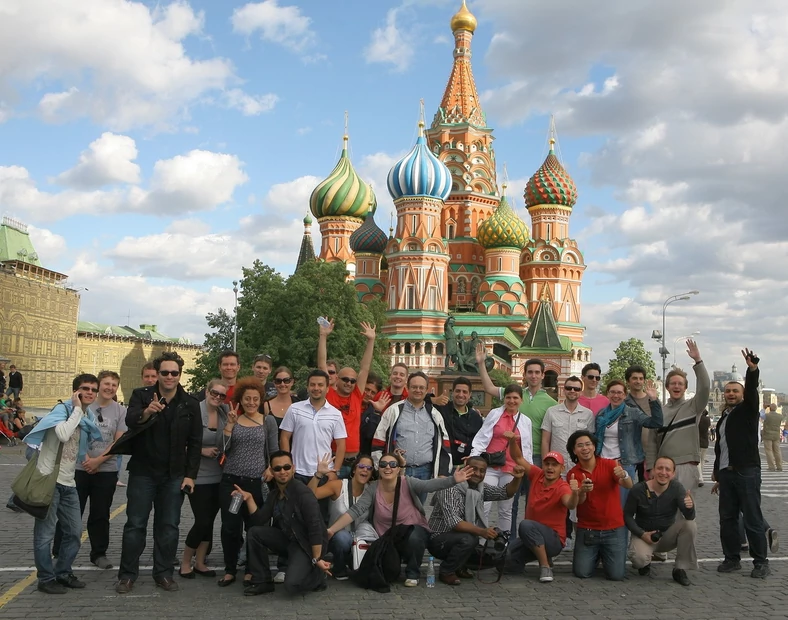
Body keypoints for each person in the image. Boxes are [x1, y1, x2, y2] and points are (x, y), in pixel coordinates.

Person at [111, 351, 202, 594]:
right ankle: (127, 575)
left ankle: (163, 574)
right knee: (135, 525)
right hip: (143, 472)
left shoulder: (190, 403)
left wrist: (190, 475)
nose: (169, 376)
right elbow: (130, 420)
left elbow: (195, 442)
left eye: (174, 372)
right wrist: (147, 412)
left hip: (173, 475)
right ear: (158, 374)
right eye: (165, 372)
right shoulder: (141, 395)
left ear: (180, 374)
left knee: (169, 526)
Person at [328, 452, 471, 586]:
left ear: (398, 469)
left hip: (412, 532)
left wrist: (453, 480)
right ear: (379, 469)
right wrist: (332, 530)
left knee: (414, 536)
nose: (388, 468)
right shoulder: (373, 488)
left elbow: (429, 485)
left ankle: (412, 573)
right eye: (383, 465)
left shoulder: (407, 482)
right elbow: (355, 510)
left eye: (392, 465)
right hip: (388, 537)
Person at [24, 374, 103, 594]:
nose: (89, 392)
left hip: (69, 482)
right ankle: (46, 578)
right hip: (50, 480)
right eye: (84, 388)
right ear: (75, 391)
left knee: (74, 532)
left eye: (93, 390)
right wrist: (76, 409)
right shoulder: (63, 410)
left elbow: (78, 445)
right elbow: (62, 434)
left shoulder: (88, 416)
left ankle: (63, 572)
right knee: (45, 534)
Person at [476, 344, 556, 534]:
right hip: (510, 459)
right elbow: (488, 387)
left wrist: (548, 460)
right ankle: (508, 541)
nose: (534, 376)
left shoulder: (551, 403)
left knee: (534, 502)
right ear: (525, 375)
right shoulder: (515, 393)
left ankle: (530, 538)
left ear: (543, 375)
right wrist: (480, 364)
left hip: (535, 457)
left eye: (537, 372)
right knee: (509, 505)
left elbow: (552, 432)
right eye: (530, 372)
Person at [53, 370, 127, 570]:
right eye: (106, 384)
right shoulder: (83, 405)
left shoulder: (120, 411)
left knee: (100, 514)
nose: (110, 388)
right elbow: (73, 435)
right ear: (98, 386)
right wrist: (86, 459)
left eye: (114, 385)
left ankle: (99, 553)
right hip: (78, 468)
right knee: (70, 512)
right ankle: (59, 550)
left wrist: (98, 461)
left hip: (106, 470)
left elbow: (119, 441)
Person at [239, 451, 332, 596]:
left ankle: (317, 577)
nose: (282, 471)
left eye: (286, 467)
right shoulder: (274, 495)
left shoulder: (303, 493)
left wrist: (317, 558)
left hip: (307, 545)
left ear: (293, 468)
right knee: (254, 532)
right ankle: (262, 581)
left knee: (292, 585)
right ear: (271, 471)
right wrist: (249, 499)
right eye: (277, 468)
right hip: (289, 540)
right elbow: (259, 520)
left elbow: (315, 529)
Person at [712, 348, 770, 579]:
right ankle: (731, 558)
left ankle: (760, 562)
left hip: (746, 471)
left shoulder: (747, 411)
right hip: (727, 474)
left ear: (743, 394)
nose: (730, 394)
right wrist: (717, 474)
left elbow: (753, 390)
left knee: (752, 518)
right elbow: (721, 448)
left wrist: (752, 369)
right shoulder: (725, 417)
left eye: (735, 391)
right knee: (727, 518)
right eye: (727, 391)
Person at [218, 377, 278, 587]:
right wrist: (229, 425)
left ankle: (252, 569)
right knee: (230, 527)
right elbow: (222, 449)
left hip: (256, 483)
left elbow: (273, 450)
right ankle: (230, 569)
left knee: (254, 527)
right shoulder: (233, 418)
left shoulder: (267, 421)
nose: (251, 402)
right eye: (247, 399)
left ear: (260, 399)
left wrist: (271, 468)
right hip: (232, 482)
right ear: (240, 400)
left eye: (255, 398)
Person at [428, 455, 524, 585]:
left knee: (499, 554)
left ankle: (460, 565)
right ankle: (447, 571)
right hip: (438, 539)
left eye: (482, 471)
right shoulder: (449, 487)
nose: (478, 474)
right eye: (474, 469)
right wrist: (482, 531)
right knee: (469, 539)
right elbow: (454, 522)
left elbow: (505, 493)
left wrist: (517, 479)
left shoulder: (480, 488)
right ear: (465, 467)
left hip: (464, 537)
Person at [506, 441, 580, 582]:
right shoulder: (537, 475)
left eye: (554, 465)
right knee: (504, 560)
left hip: (554, 541)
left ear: (562, 468)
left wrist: (576, 493)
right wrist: (512, 441)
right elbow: (518, 458)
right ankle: (539, 557)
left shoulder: (562, 487)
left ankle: (545, 566)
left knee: (526, 525)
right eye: (547, 464)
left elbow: (570, 504)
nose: (550, 468)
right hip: (532, 537)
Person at [372, 371, 452, 496]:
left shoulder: (435, 414)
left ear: (426, 390)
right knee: (396, 509)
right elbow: (378, 440)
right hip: (397, 471)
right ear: (407, 388)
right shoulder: (393, 410)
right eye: (414, 387)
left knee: (419, 511)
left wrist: (443, 472)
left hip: (424, 472)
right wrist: (380, 467)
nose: (418, 390)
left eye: (421, 387)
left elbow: (445, 445)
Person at [567, 430, 632, 581]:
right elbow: (576, 504)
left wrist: (624, 475)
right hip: (588, 530)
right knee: (582, 573)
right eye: (580, 445)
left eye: (588, 444)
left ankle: (603, 553)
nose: (585, 448)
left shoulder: (610, 464)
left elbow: (628, 485)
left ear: (594, 447)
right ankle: (596, 554)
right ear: (574, 451)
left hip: (614, 529)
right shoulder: (573, 474)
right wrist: (582, 491)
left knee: (616, 575)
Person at [179, 379, 228, 579]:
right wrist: (201, 450)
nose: (217, 397)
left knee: (210, 521)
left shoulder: (224, 413)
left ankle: (200, 562)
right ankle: (185, 562)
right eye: (214, 393)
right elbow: (179, 443)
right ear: (206, 391)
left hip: (219, 475)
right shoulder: (193, 411)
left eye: (221, 395)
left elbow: (227, 441)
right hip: (197, 476)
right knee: (202, 520)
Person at [624, 456, 698, 586]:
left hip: (666, 536)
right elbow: (628, 516)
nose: (663, 472)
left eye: (667, 469)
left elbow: (689, 517)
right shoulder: (638, 489)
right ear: (652, 471)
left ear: (673, 474)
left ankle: (680, 569)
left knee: (690, 526)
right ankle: (645, 563)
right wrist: (641, 534)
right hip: (644, 535)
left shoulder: (677, 488)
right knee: (639, 560)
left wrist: (690, 507)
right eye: (659, 468)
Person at [469, 384, 532, 534]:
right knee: (484, 504)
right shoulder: (494, 414)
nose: (512, 401)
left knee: (506, 508)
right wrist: (473, 457)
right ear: (504, 399)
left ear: (521, 401)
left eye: (515, 398)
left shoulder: (525, 421)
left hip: (511, 468)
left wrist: (529, 469)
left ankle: (503, 542)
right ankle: (481, 539)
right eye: (508, 397)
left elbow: (527, 447)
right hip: (490, 466)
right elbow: (482, 437)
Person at [318, 319, 377, 477]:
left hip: (354, 462)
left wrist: (371, 340)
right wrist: (323, 336)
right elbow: (322, 365)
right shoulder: (329, 394)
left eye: (353, 380)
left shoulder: (357, 395)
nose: (349, 383)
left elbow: (365, 367)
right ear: (336, 379)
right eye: (345, 379)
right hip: (331, 459)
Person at [541, 375, 594, 550]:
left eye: (576, 389)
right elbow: (545, 440)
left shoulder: (587, 414)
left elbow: (590, 442)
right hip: (557, 466)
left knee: (579, 503)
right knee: (557, 502)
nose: (572, 391)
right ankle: (559, 537)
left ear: (581, 391)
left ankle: (580, 540)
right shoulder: (552, 411)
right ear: (564, 389)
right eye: (569, 388)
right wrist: (545, 465)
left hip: (578, 467)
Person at [308, 453, 377, 580]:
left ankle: (355, 564)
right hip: (337, 537)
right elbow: (309, 495)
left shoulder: (372, 489)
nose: (365, 470)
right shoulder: (338, 485)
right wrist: (318, 475)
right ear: (354, 469)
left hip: (361, 539)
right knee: (343, 538)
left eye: (369, 468)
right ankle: (339, 568)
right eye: (361, 466)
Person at [595, 380, 663, 505]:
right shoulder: (601, 414)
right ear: (607, 394)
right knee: (603, 503)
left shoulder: (633, 412)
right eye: (613, 392)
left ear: (625, 395)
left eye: (620, 393)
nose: (616, 396)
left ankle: (622, 525)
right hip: (602, 462)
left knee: (621, 504)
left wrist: (653, 400)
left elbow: (656, 423)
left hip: (624, 463)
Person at [659, 339, 709, 491]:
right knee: (663, 512)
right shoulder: (660, 411)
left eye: (680, 384)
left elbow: (705, 387)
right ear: (667, 387)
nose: (677, 386)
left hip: (686, 466)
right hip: (663, 467)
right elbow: (652, 442)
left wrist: (698, 361)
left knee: (685, 509)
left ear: (685, 388)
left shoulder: (693, 407)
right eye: (673, 383)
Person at [281, 369, 347, 485]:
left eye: (320, 385)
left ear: (327, 388)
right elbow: (284, 438)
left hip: (324, 472)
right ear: (307, 387)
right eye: (312, 385)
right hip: (297, 472)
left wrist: (334, 471)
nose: (316, 388)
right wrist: (288, 465)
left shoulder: (335, 414)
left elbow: (341, 445)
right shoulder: (294, 409)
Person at [434, 376, 484, 467]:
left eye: (464, 392)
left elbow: (480, 441)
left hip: (466, 466)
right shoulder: (441, 409)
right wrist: (433, 399)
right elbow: (420, 400)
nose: (461, 395)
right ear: (452, 392)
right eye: (457, 391)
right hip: (443, 465)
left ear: (470, 395)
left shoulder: (476, 417)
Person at [624, 365, 659, 481]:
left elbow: (659, 423)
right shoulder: (623, 402)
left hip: (648, 453)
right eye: (634, 378)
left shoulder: (652, 400)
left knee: (647, 490)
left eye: (641, 378)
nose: (638, 381)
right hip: (630, 453)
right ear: (628, 381)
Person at [263, 366, 300, 433]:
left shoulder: (299, 404)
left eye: (286, 381)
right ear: (274, 383)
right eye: (278, 381)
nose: (282, 384)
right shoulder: (266, 405)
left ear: (292, 382)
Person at [359, 373, 388, 455]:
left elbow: (370, 435)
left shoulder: (373, 411)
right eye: (367, 389)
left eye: (372, 392)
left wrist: (377, 412)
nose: (368, 394)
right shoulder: (351, 404)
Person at [762, 404, 783, 472]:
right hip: (776, 435)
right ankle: (779, 466)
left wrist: (764, 408)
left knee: (769, 451)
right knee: (777, 451)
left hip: (767, 435)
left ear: (770, 408)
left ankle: (771, 466)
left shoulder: (766, 415)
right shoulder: (780, 416)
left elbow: (760, 415)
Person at [698, 410, 711, 485]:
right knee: (702, 460)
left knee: (698, 461)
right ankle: (701, 475)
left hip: (698, 441)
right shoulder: (707, 419)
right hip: (705, 441)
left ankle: (700, 478)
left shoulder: (697, 419)